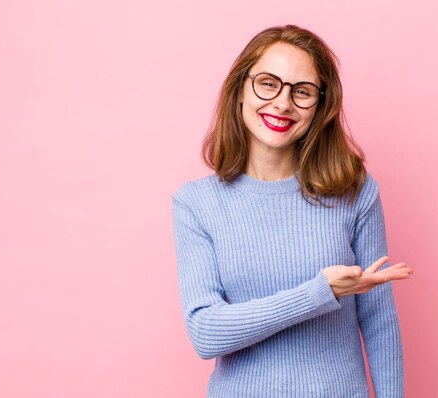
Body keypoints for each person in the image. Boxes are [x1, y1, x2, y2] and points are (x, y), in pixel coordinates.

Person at [171, 24, 414, 398]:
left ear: (319, 106)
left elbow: (379, 320)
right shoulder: (196, 204)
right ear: (240, 89)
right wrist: (319, 293)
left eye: (301, 92)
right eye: (268, 83)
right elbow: (206, 333)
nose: (283, 103)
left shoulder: (355, 192)